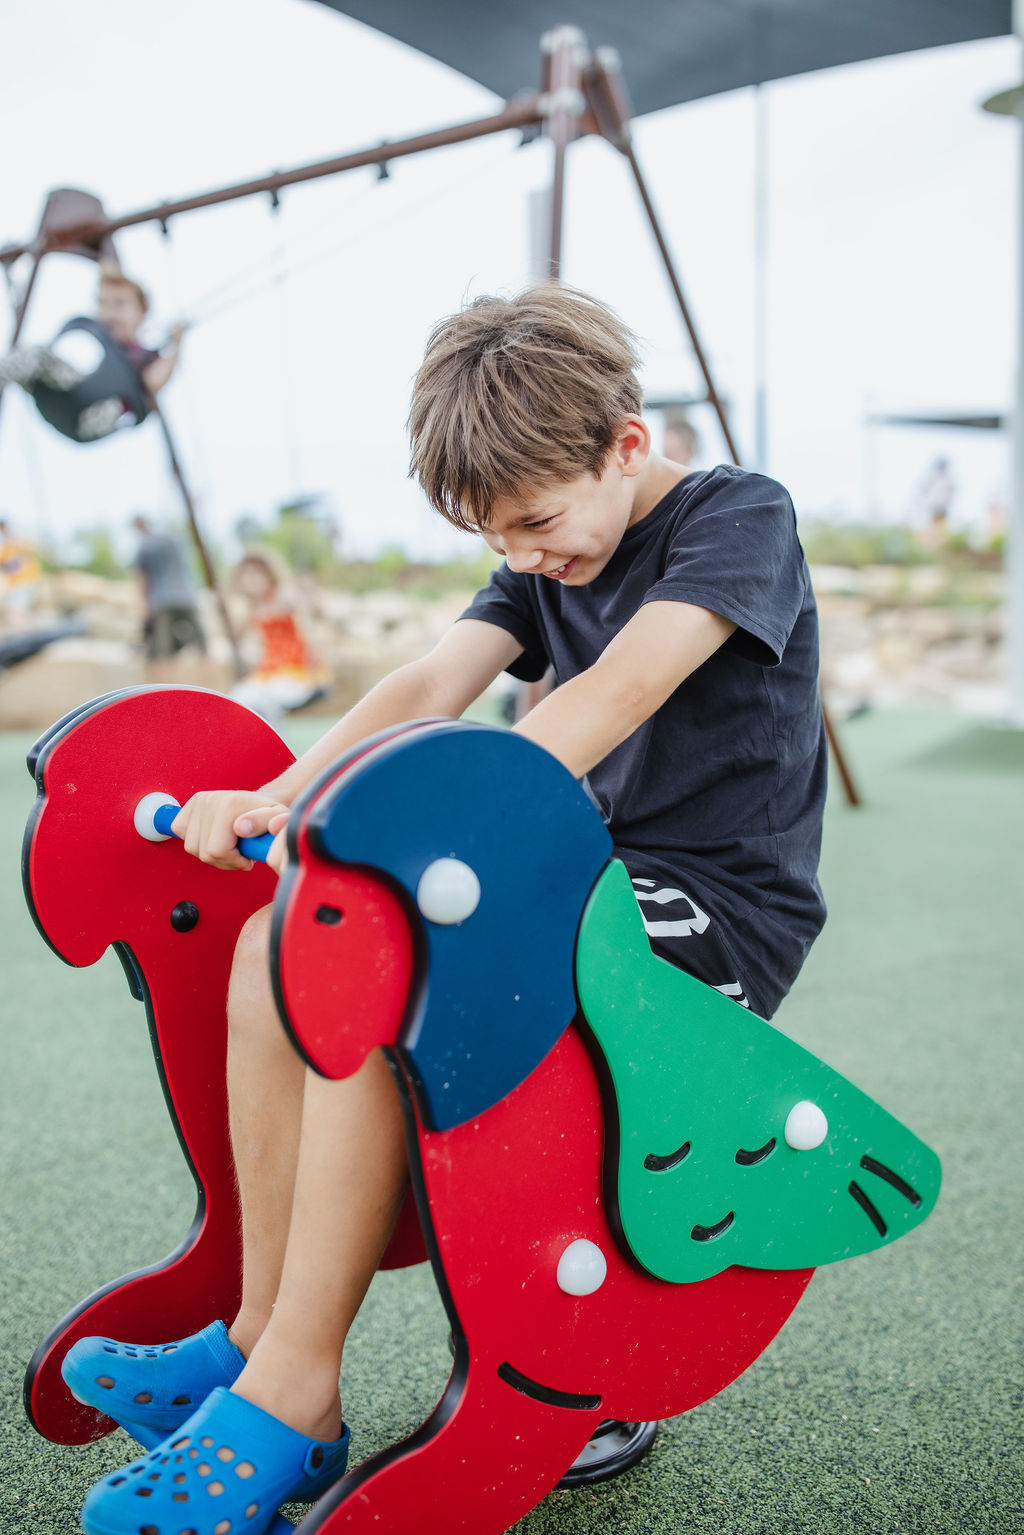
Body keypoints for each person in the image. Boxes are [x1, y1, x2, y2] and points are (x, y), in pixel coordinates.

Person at [64, 285, 828, 1535]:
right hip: (578, 877)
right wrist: (286, 793)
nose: (524, 555)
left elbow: (619, 689)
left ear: (626, 444)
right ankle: (255, 1342)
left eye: (536, 521)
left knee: (393, 958)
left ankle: (292, 1395)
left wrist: (424, 813)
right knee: (272, 943)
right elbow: (430, 683)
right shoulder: (538, 553)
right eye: (496, 534)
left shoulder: (734, 517)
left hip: (707, 912)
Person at [0, 264, 185, 440]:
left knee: (117, 406)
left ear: (142, 312)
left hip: (97, 412)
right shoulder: (94, 334)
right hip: (61, 391)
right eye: (103, 304)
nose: (111, 313)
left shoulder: (143, 357)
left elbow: (154, 380)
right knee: (37, 356)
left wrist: (176, 344)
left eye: (120, 305)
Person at [229, 549, 332, 724]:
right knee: (238, 697)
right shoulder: (252, 608)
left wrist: (307, 595)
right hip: (269, 671)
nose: (252, 579)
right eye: (246, 575)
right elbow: (236, 637)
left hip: (294, 669)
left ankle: (274, 738)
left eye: (257, 573)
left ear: (269, 575)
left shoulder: (282, 597)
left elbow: (310, 616)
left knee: (270, 701)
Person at [132, 513, 207, 672]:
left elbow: (143, 579)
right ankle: (211, 683)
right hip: (187, 596)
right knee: (203, 647)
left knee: (162, 650)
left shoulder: (144, 547)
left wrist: (144, 605)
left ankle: (163, 686)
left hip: (162, 600)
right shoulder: (172, 539)